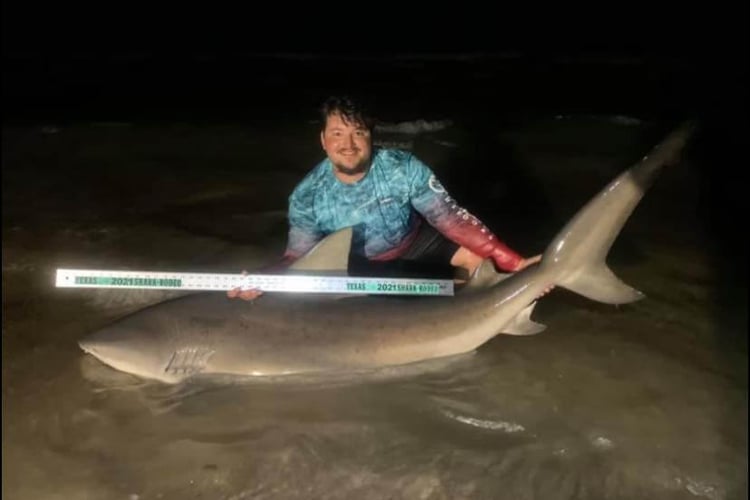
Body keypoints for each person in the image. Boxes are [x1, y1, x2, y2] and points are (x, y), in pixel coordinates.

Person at [229, 95, 542, 301]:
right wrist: (264, 279)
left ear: (371, 136)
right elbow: (296, 258)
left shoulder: (402, 168)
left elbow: (453, 221)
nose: (348, 144)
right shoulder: (307, 196)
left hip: (414, 240)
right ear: (324, 140)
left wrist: (514, 263)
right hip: (362, 264)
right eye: (338, 134)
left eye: (359, 133)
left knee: (481, 264)